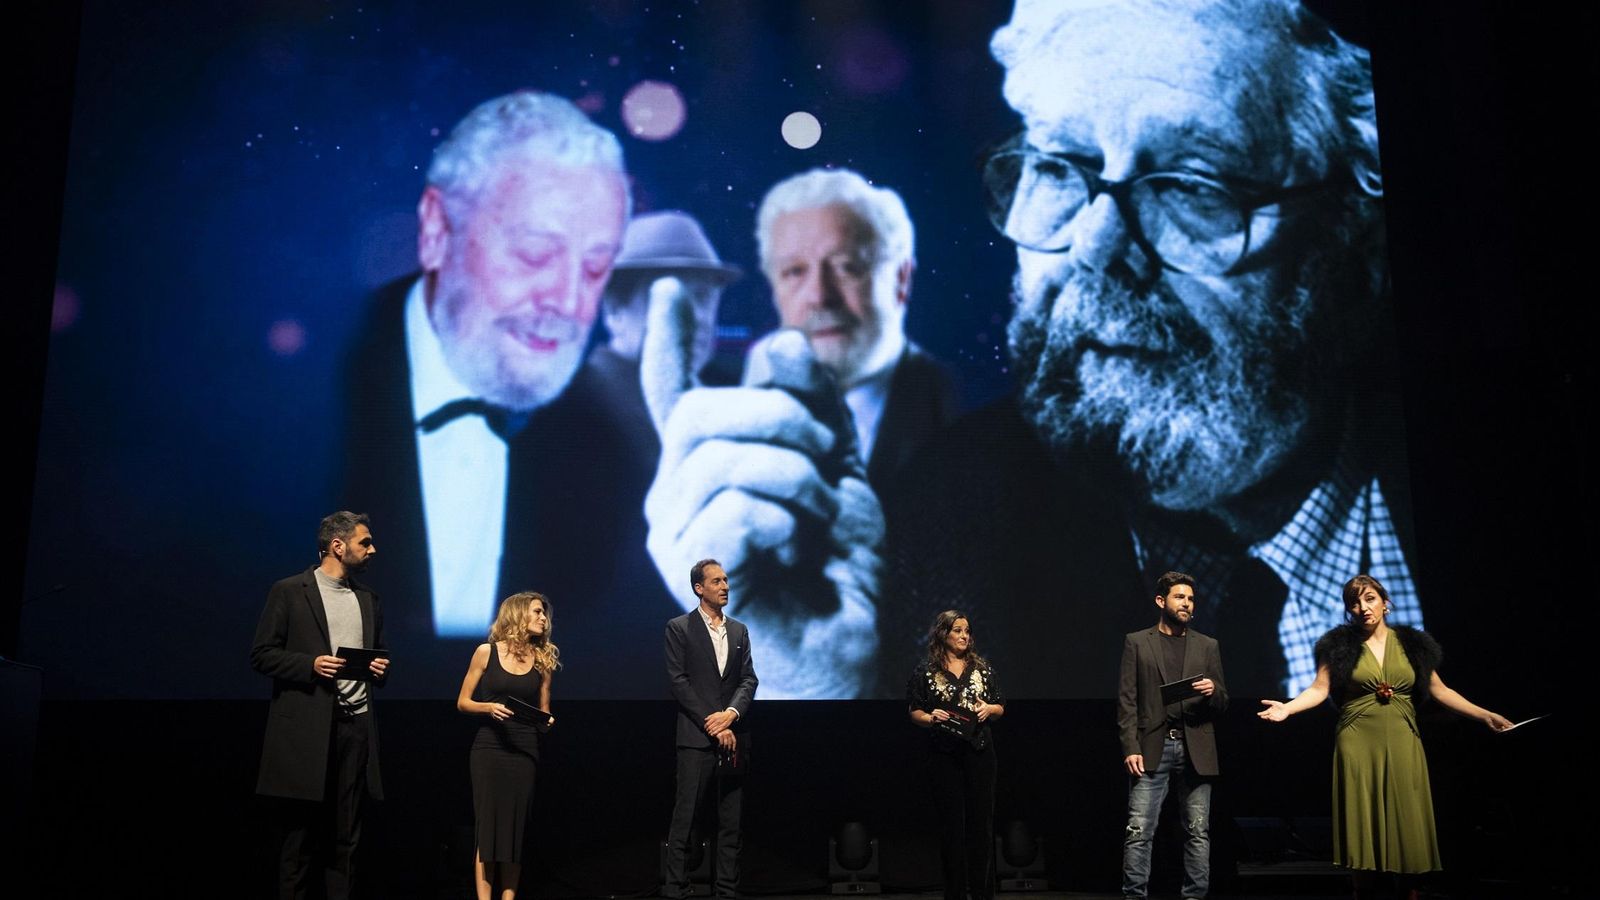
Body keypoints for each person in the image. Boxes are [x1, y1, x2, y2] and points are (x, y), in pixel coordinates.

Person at [641, 0, 1420, 699]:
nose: (1097, 246)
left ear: (1356, 234)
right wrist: (813, 687)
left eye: (1192, 183)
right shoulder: (932, 524)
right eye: (1056, 168)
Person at [640, 168, 955, 697]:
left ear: (901, 279)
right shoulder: (706, 433)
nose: (820, 295)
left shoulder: (978, 419)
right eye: (793, 272)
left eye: (848, 267)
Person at [340, 89, 630, 648]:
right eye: (534, 253)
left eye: (596, 266)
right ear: (435, 229)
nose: (570, 303)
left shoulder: (604, 449)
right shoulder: (298, 405)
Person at [1258, 575, 1512, 899]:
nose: (1362, 608)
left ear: (1385, 602)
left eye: (1369, 599)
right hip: (1358, 738)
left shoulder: (1412, 645)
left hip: (1404, 738)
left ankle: (1410, 890)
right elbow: (1319, 689)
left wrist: (1484, 714)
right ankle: (1362, 889)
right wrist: (1288, 709)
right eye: (1354, 602)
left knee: (1407, 822)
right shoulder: (1338, 646)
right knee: (1365, 824)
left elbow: (1439, 690)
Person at [251, 511, 389, 900]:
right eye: (365, 541)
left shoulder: (368, 599)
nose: (372, 549)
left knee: (347, 836)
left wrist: (379, 668)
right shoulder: (290, 591)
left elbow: (375, 661)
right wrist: (309, 664)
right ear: (337, 546)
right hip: (307, 731)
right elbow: (262, 654)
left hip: (355, 727)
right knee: (301, 837)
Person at [582, 210, 741, 489]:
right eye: (668, 296)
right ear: (614, 309)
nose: (696, 316)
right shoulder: (579, 408)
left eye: (703, 297)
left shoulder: (726, 395)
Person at [1118, 572, 1227, 900]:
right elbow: (1127, 700)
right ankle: (1134, 895)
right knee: (1138, 832)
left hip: (1196, 747)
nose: (1187, 604)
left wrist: (1213, 691)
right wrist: (1130, 746)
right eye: (1180, 597)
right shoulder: (1137, 642)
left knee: (1198, 832)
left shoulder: (1207, 645)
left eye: (1191, 599)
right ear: (1161, 601)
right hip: (1153, 746)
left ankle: (1194, 896)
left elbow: (1223, 702)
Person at [662, 559, 758, 900]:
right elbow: (679, 682)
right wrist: (713, 723)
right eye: (716, 581)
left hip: (735, 736)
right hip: (696, 738)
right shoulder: (680, 628)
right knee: (685, 819)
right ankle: (675, 888)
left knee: (731, 820)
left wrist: (730, 714)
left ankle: (726, 890)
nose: (725, 586)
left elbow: (748, 679)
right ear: (699, 588)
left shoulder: (738, 630)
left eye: (726, 580)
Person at [455, 592, 560, 900]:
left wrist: (547, 721)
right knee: (488, 831)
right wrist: (488, 708)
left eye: (544, 613)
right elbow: (462, 702)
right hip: (490, 748)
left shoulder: (543, 659)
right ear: (517, 614)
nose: (544, 618)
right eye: (538, 611)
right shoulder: (485, 652)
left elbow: (544, 711)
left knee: (514, 830)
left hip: (525, 750)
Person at [906, 610, 1005, 900]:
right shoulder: (925, 670)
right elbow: (914, 712)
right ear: (943, 634)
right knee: (951, 828)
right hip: (944, 755)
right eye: (957, 630)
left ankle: (983, 894)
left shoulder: (983, 669)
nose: (964, 636)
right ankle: (955, 894)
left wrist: (990, 709)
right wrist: (931, 717)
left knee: (981, 827)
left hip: (979, 753)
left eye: (967, 631)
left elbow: (1000, 706)